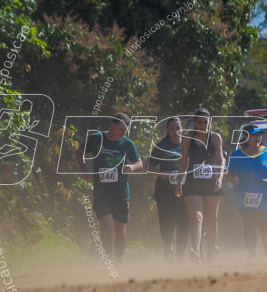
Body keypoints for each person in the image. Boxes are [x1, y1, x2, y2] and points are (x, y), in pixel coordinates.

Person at [75, 112, 143, 262]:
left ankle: (118, 261)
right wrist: (85, 171)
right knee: (106, 227)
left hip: (121, 193)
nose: (123, 133)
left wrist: (132, 167)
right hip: (102, 193)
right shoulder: (96, 138)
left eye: (125, 131)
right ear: (112, 125)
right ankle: (108, 261)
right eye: (121, 129)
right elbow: (80, 153)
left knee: (120, 229)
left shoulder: (127, 144)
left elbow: (140, 162)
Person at [226, 124, 267, 258]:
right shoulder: (236, 155)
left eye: (259, 135)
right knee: (249, 224)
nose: (257, 138)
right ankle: (251, 251)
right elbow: (227, 172)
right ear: (245, 138)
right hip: (244, 196)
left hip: (265, 195)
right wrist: (231, 179)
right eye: (253, 135)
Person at [175, 108, 225, 262]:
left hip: (211, 183)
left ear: (209, 122)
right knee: (196, 217)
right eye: (199, 122)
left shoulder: (215, 138)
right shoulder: (188, 139)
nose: (202, 125)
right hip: (193, 183)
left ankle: (210, 253)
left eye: (205, 122)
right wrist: (179, 182)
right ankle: (195, 252)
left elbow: (220, 160)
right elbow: (183, 162)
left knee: (212, 219)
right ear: (195, 123)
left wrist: (220, 178)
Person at [148, 117, 188, 261]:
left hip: (185, 191)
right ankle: (168, 248)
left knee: (184, 222)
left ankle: (181, 256)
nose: (175, 131)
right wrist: (161, 174)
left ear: (182, 128)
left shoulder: (187, 144)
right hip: (164, 192)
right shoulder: (161, 146)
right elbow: (149, 167)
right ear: (167, 130)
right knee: (167, 222)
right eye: (172, 129)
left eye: (178, 128)